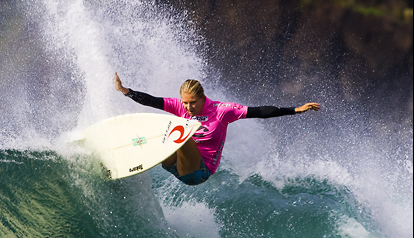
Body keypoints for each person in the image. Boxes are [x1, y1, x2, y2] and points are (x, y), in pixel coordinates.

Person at [114, 72, 320, 186]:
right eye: (185, 103)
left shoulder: (222, 111)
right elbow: (152, 101)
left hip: (199, 172)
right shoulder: (179, 106)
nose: (187, 108)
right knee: (162, 128)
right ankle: (126, 156)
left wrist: (295, 109)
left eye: (192, 103)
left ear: (203, 98)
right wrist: (126, 92)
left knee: (180, 134)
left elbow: (260, 111)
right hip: (174, 165)